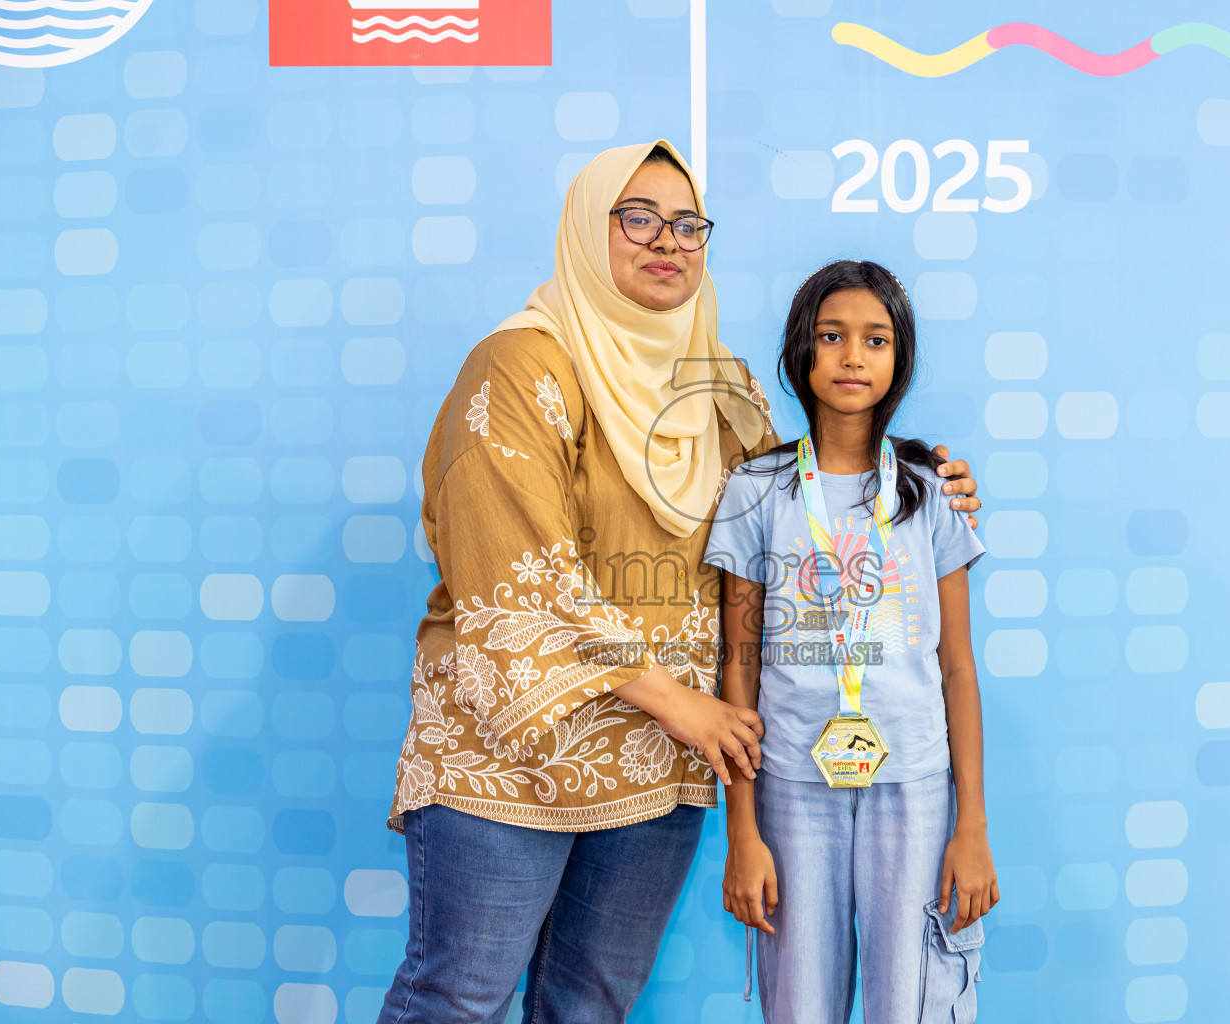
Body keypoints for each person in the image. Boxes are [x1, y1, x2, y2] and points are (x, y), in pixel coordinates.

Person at [376, 142, 982, 1023]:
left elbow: (799, 516)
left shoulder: (724, 391)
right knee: (459, 1000)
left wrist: (928, 481)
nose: (667, 240)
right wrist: (682, 704)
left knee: (590, 1005)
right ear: (590, 229)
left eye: (687, 224)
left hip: (658, 775)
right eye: (637, 217)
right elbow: (514, 572)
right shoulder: (519, 367)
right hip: (510, 767)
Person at [707, 260, 1000, 1023]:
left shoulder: (930, 491)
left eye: (875, 339)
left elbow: (958, 668)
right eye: (832, 336)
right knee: (800, 1003)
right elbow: (735, 669)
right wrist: (742, 827)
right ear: (802, 350)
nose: (851, 356)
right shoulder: (757, 491)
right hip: (792, 790)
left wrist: (972, 825)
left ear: (899, 357)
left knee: (914, 1001)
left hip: (917, 786)